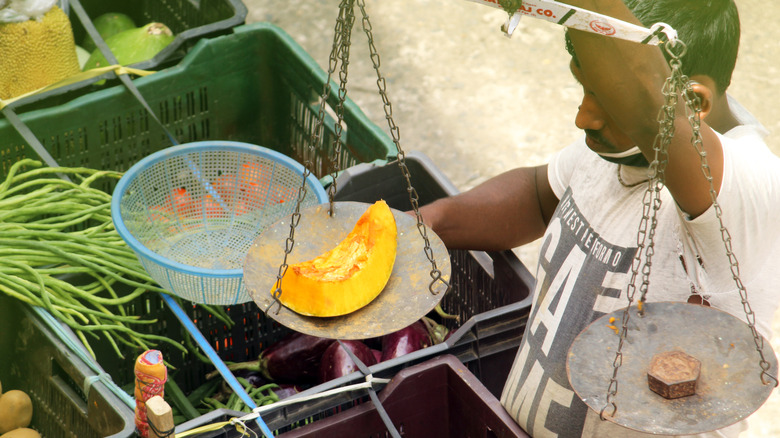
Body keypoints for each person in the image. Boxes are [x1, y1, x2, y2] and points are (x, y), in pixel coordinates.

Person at [418, 0, 780, 436]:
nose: (581, 117)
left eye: (606, 98)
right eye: (582, 88)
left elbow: (650, 110)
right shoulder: (617, 149)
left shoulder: (748, 190)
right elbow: (539, 196)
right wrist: (427, 225)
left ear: (691, 102)